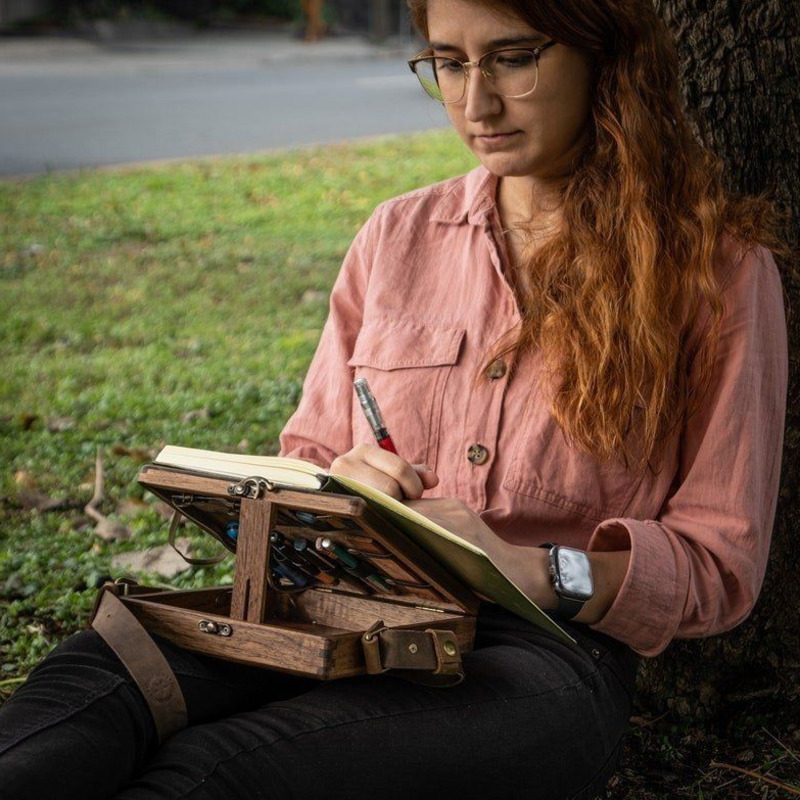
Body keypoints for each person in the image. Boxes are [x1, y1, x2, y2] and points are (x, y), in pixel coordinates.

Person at [0, 0, 788, 798]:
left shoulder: (715, 270)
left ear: (606, 57)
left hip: (535, 656)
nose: (475, 103)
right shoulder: (395, 236)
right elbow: (303, 458)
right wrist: (337, 484)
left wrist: (532, 568)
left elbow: (719, 564)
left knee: (217, 774)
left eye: (514, 57)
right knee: (80, 703)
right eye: (449, 61)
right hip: (333, 605)